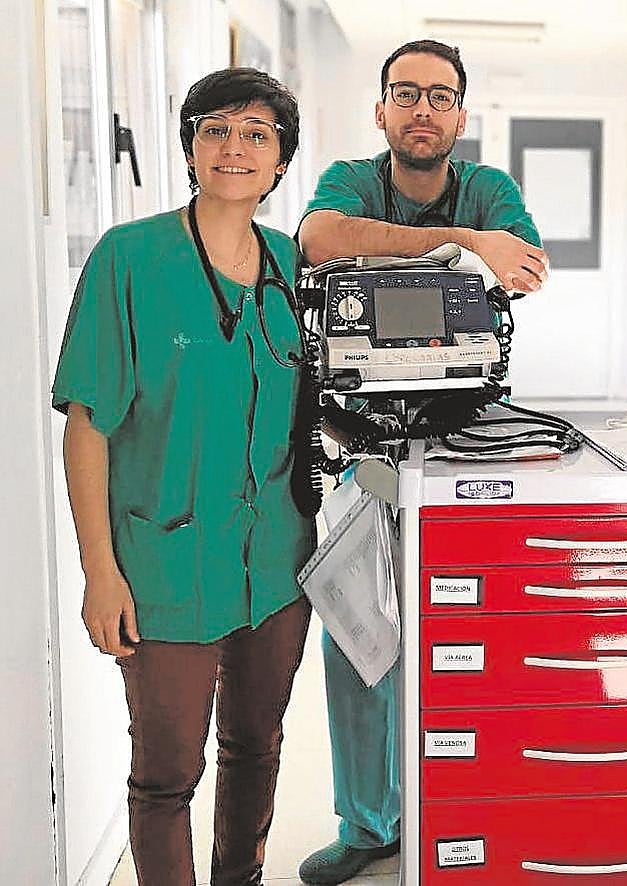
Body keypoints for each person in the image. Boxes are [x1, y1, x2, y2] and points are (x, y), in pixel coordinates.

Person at [52, 69, 314, 886]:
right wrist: (101, 572)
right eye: (215, 130)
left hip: (275, 562)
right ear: (191, 149)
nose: (234, 147)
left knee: (255, 747)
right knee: (166, 775)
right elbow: (88, 425)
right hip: (162, 564)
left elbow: (320, 398)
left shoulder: (290, 265)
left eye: (256, 134)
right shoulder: (129, 259)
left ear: (280, 163)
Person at [296, 39, 545, 886]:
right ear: (382, 111)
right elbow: (318, 239)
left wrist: (399, 260)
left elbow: (519, 269)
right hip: (357, 446)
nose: (424, 109)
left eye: (441, 96)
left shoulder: (494, 191)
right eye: (407, 93)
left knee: (469, 626)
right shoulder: (350, 183)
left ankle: (463, 808)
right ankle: (370, 824)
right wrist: (456, 248)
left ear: (462, 117)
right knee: (360, 631)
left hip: (468, 438)